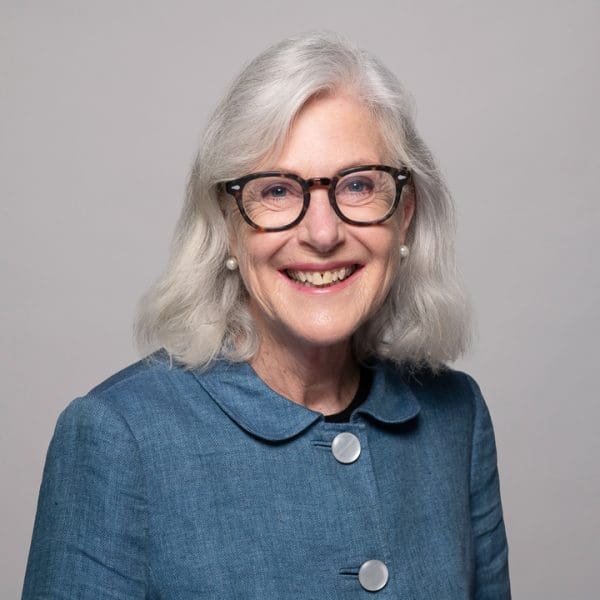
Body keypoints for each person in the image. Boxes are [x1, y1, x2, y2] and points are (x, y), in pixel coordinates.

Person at [22, 32, 510, 599]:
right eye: (277, 190)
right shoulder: (117, 437)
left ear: (404, 214)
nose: (323, 234)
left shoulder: (457, 418)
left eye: (357, 185)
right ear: (229, 225)